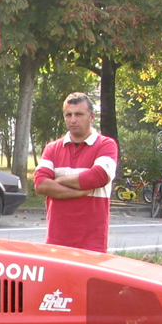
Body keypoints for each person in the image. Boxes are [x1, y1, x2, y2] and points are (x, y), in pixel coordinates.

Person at [34, 92, 119, 252]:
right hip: (56, 242)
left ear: (91, 117)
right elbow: (40, 184)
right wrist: (80, 191)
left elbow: (98, 177)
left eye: (79, 114)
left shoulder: (106, 145)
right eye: (68, 114)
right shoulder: (52, 148)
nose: (73, 119)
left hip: (92, 244)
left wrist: (58, 181)